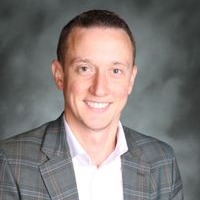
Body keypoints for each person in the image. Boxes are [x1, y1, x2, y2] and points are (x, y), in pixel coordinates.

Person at [0, 9, 183, 200]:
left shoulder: (161, 161)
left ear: (131, 79)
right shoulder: (11, 162)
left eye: (115, 70)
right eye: (84, 69)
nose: (99, 89)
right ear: (59, 75)